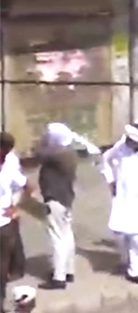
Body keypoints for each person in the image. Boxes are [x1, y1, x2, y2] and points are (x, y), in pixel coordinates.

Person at [36, 124, 96, 291]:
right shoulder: (68, 153)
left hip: (55, 199)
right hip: (66, 199)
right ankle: (68, 271)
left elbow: (38, 152)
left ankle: (58, 277)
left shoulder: (56, 155)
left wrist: (43, 140)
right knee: (66, 235)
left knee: (57, 238)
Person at [101, 123, 138, 288]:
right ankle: (124, 261)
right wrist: (110, 180)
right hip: (123, 200)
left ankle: (135, 272)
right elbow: (106, 159)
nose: (125, 140)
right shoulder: (120, 146)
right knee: (120, 235)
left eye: (130, 139)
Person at [0, 133, 31, 310]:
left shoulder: (9, 168)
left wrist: (16, 207)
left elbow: (28, 186)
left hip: (3, 226)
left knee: (2, 269)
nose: (3, 158)